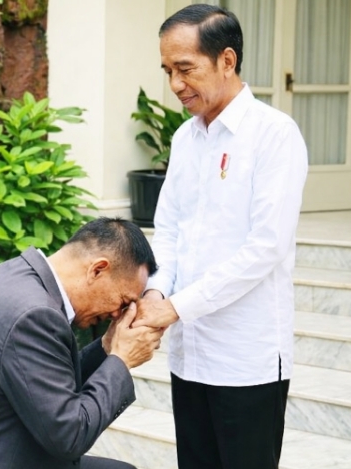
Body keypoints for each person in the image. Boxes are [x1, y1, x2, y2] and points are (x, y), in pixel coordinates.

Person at [132, 4, 309, 469]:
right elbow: (168, 230)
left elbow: (265, 248)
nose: (175, 84)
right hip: (189, 354)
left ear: (226, 60)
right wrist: (156, 293)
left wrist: (175, 308)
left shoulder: (274, 134)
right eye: (168, 71)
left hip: (245, 358)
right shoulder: (184, 139)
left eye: (185, 68)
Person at [0, 217, 165, 469]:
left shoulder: (10, 274)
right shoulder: (35, 315)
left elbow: (48, 382)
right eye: (123, 301)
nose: (117, 314)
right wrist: (121, 359)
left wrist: (107, 346)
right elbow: (70, 436)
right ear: (97, 270)